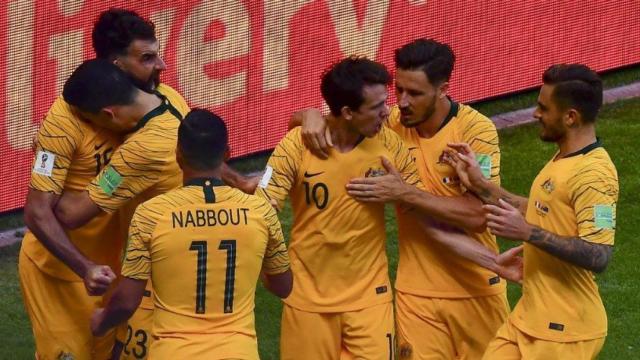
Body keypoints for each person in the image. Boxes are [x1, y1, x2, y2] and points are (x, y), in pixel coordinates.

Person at [256, 56, 520, 360]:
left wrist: (493, 261)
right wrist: (273, 267)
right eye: (379, 106)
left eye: (387, 102)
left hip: (371, 301)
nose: (390, 111)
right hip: (306, 301)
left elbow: (426, 221)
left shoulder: (391, 146)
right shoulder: (295, 145)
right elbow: (261, 209)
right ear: (347, 112)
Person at [19, 9, 189, 359]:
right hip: (61, 274)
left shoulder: (159, 103)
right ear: (117, 63)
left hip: (110, 270)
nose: (162, 65)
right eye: (147, 58)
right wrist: (85, 267)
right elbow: (38, 213)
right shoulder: (63, 121)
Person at [90, 108, 292, 359]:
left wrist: (101, 321)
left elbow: (127, 303)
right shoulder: (259, 211)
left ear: (178, 156)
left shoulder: (151, 215)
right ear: (227, 155)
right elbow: (283, 286)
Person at [446, 64, 617, 359]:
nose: (535, 114)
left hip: (565, 332)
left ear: (570, 117)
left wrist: (527, 233)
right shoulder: (565, 158)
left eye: (543, 108)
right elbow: (539, 209)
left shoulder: (594, 174)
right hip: (528, 317)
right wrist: (480, 185)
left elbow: (599, 254)